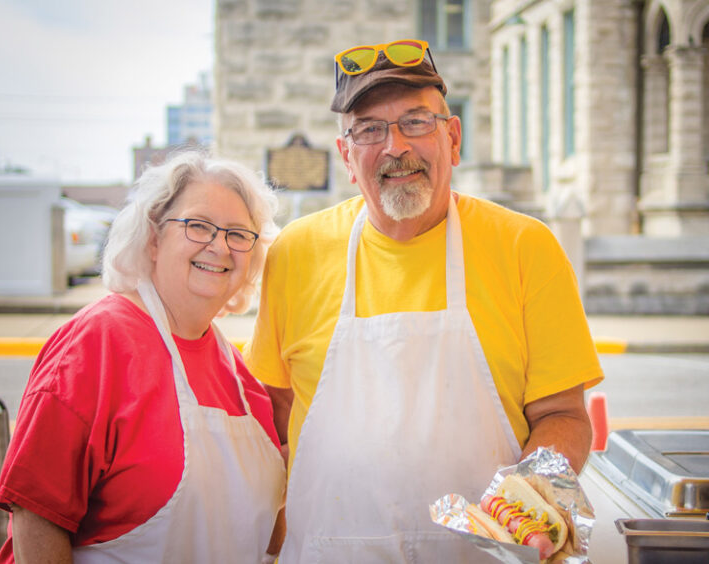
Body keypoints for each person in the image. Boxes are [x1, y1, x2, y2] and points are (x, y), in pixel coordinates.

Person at [244, 39, 604, 561]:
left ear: (452, 139)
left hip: (483, 555)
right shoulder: (295, 252)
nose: (395, 147)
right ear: (347, 156)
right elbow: (274, 416)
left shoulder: (526, 247)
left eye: (415, 122)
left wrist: (527, 506)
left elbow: (564, 415)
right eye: (369, 129)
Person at [0, 150, 286, 563]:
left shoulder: (238, 374)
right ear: (152, 239)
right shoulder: (96, 342)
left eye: (238, 234)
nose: (220, 246)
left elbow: (268, 522)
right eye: (198, 226)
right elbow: (36, 517)